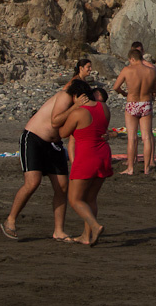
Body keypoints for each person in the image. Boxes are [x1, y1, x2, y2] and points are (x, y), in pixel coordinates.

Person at [0, 60, 92, 241]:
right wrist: (75, 107)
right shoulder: (65, 96)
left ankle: (59, 231)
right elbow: (55, 121)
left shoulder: (79, 106)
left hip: (54, 144)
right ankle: (10, 220)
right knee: (32, 183)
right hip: (34, 138)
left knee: (62, 187)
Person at [59, 79, 111, 246]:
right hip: (103, 154)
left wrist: (71, 110)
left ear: (76, 96)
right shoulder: (103, 107)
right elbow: (102, 128)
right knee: (91, 198)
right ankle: (86, 236)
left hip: (87, 156)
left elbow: (63, 133)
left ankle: (95, 226)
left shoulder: (78, 113)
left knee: (75, 200)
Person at [113, 48, 156, 175]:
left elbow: (116, 87)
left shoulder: (127, 70)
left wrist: (124, 93)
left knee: (132, 138)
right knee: (146, 137)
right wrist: (152, 96)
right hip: (146, 103)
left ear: (132, 59)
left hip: (132, 103)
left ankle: (130, 168)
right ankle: (146, 168)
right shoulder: (152, 71)